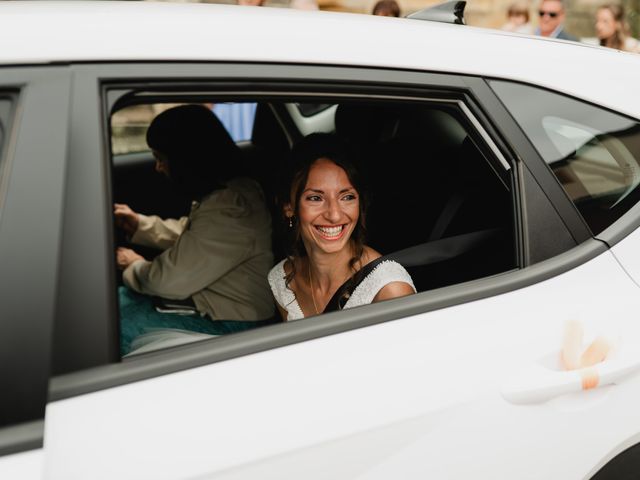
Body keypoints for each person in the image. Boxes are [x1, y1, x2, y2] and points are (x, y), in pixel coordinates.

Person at [115, 104, 275, 355]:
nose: (158, 167)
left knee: (109, 332)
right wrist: (141, 225)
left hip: (233, 323)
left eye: (161, 158)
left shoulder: (230, 207)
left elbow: (169, 281)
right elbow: (195, 237)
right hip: (215, 307)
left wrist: (133, 264)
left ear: (186, 159)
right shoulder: (232, 193)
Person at [268, 133, 415, 321]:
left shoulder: (389, 290)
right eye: (315, 198)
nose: (334, 215)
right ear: (288, 207)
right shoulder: (283, 281)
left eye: (347, 197)